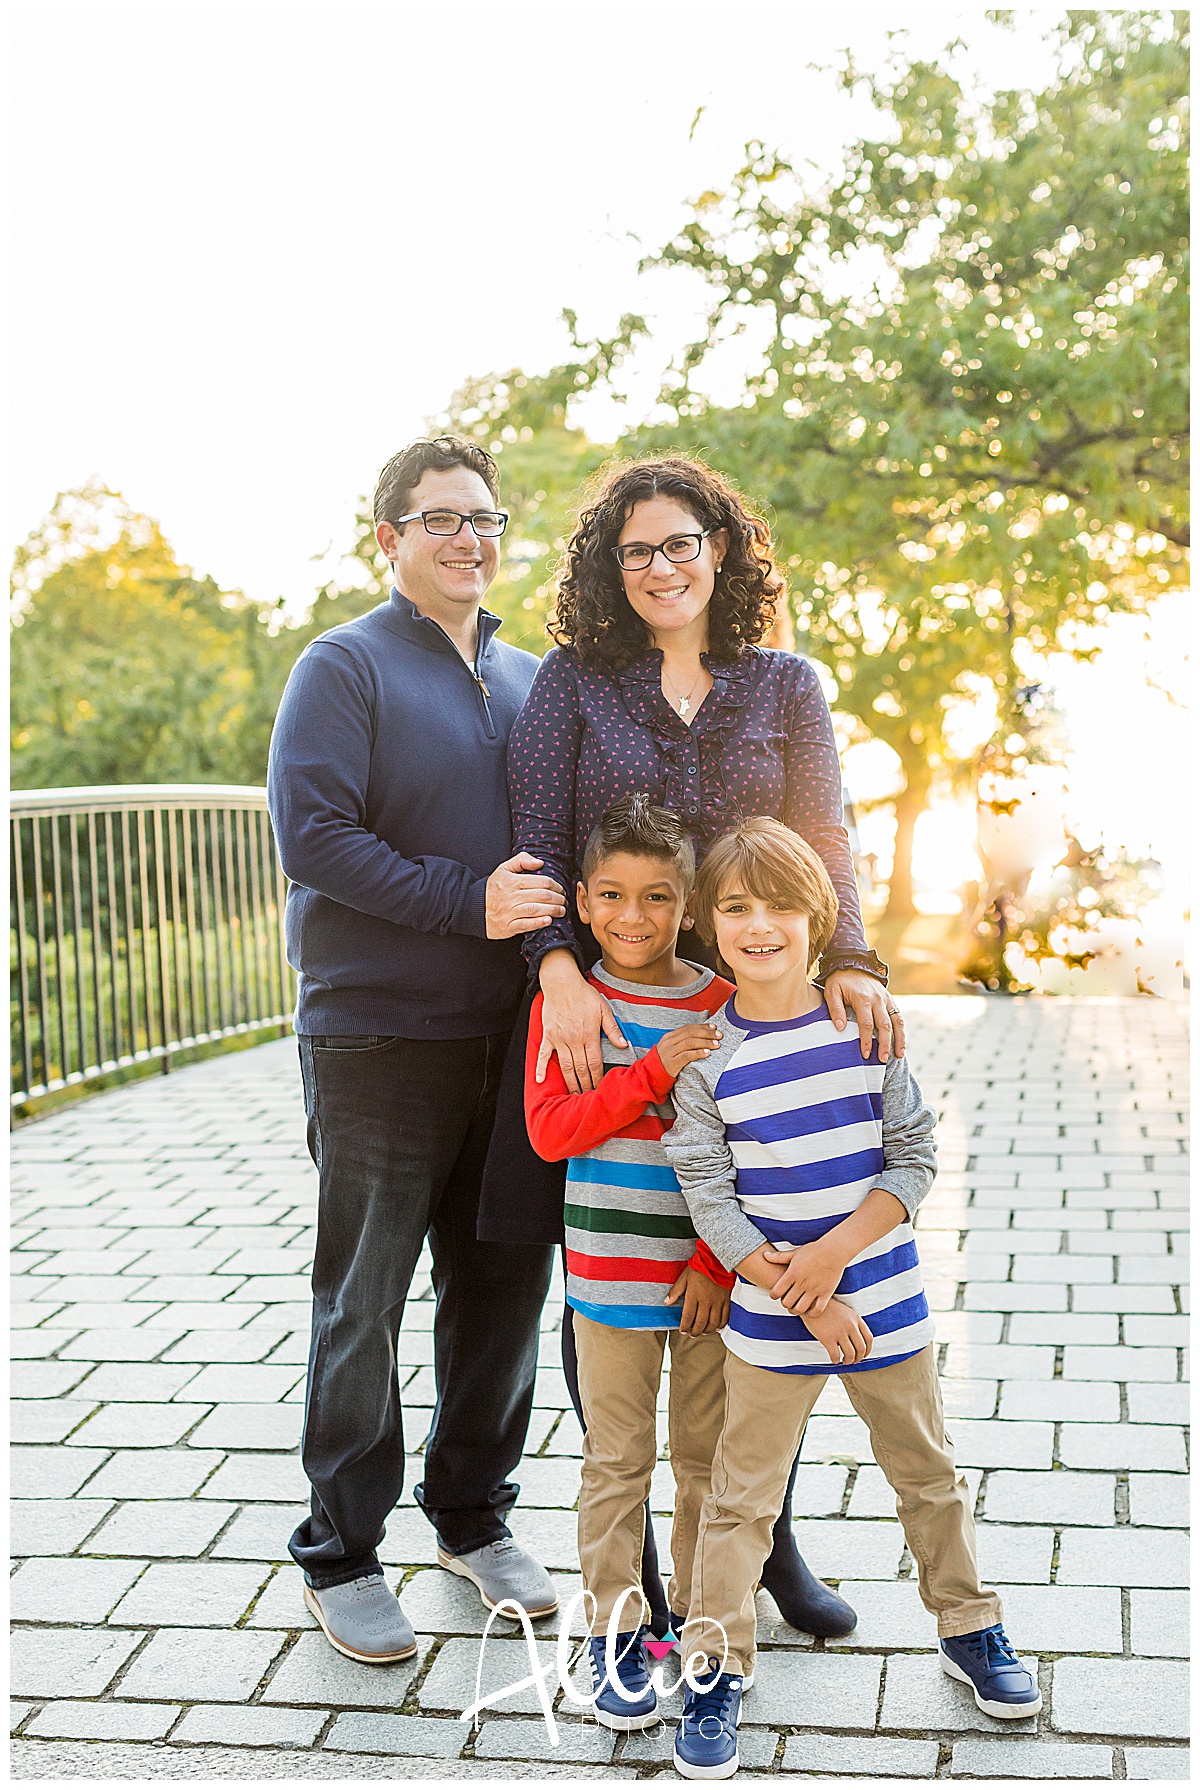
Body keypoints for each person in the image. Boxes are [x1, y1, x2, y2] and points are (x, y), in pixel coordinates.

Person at [496, 455, 903, 1636]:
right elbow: (534, 839)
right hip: (616, 996)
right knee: (625, 1292)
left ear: (720, 550)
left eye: (682, 543)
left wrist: (856, 964)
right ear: (609, 569)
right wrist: (559, 969)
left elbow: (827, 834)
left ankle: (761, 1540)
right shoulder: (574, 681)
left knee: (755, 1269)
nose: (662, 566)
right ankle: (639, 1594)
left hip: (754, 1006)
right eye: (637, 550)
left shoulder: (785, 682)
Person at [267, 436, 566, 1664]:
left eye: (485, 517)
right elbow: (313, 837)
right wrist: (466, 901)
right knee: (366, 1301)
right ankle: (340, 1548)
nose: (469, 538)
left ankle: (472, 1513)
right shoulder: (343, 666)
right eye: (441, 518)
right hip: (377, 1034)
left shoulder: (534, 674)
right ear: (388, 536)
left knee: (503, 1291)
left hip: (516, 1038)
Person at [663, 819, 1041, 1780]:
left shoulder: (861, 1029)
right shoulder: (707, 1061)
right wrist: (803, 1296)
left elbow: (913, 1158)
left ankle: (969, 1629)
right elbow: (710, 1200)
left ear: (817, 916)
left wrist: (830, 1260)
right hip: (772, 1326)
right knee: (736, 1503)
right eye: (737, 908)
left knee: (928, 1476)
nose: (760, 926)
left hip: (887, 1306)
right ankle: (713, 1667)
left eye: (782, 906)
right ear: (707, 923)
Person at [524, 794, 734, 1730]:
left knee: (703, 1462)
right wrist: (646, 1077)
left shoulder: (721, 1006)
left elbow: (749, 1151)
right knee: (616, 1461)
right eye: (610, 896)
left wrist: (715, 1265)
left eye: (656, 898)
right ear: (580, 898)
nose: (632, 918)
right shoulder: (571, 1006)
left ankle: (700, 1632)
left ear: (686, 904)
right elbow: (551, 1132)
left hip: (703, 1281)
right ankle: (614, 1631)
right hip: (606, 1277)